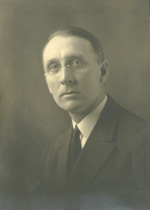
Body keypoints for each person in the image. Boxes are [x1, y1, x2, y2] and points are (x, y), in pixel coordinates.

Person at [41, 27, 150, 200]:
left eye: (76, 62)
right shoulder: (56, 150)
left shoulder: (142, 140)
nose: (65, 78)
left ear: (103, 72)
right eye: (54, 66)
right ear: (48, 83)